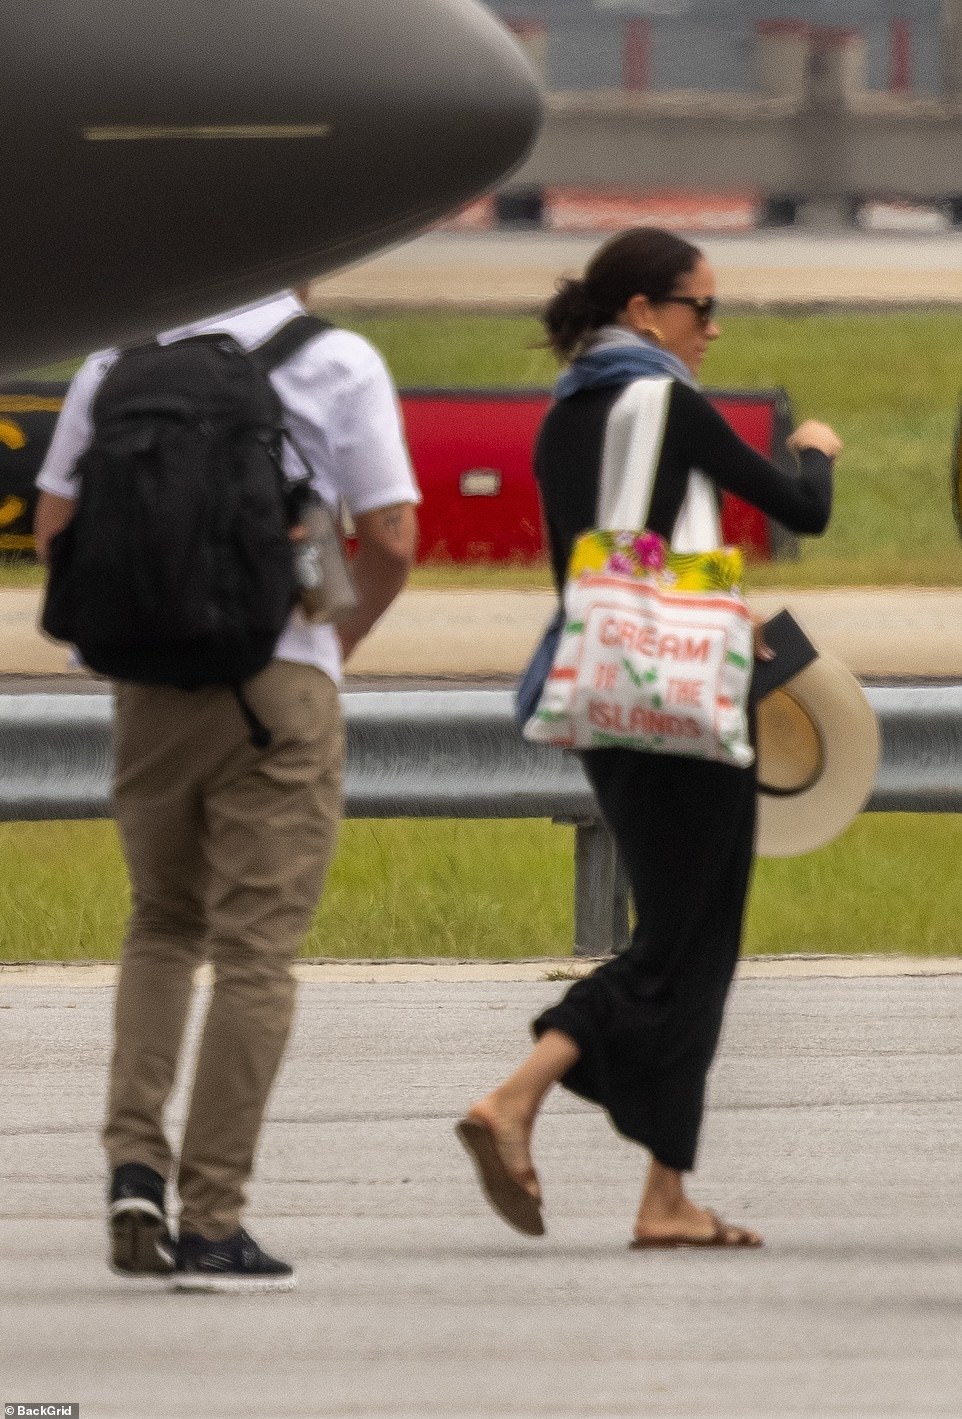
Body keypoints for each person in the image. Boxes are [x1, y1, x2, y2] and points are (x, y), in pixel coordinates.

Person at [457, 227, 840, 1248]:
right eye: (698, 308)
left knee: (692, 941)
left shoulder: (563, 416)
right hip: (686, 709)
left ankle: (666, 1196)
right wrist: (814, 450)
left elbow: (612, 566)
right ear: (642, 312)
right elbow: (798, 508)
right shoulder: (664, 400)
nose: (710, 329)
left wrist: (704, 596)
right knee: (683, 940)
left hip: (605, 699)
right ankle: (517, 1096)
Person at [34, 289, 419, 1291]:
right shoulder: (337, 361)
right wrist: (332, 644)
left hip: (150, 687)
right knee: (254, 950)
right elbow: (389, 537)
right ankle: (212, 1220)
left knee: (160, 924)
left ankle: (132, 1167)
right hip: (279, 681)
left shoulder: (115, 358)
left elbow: (55, 528)